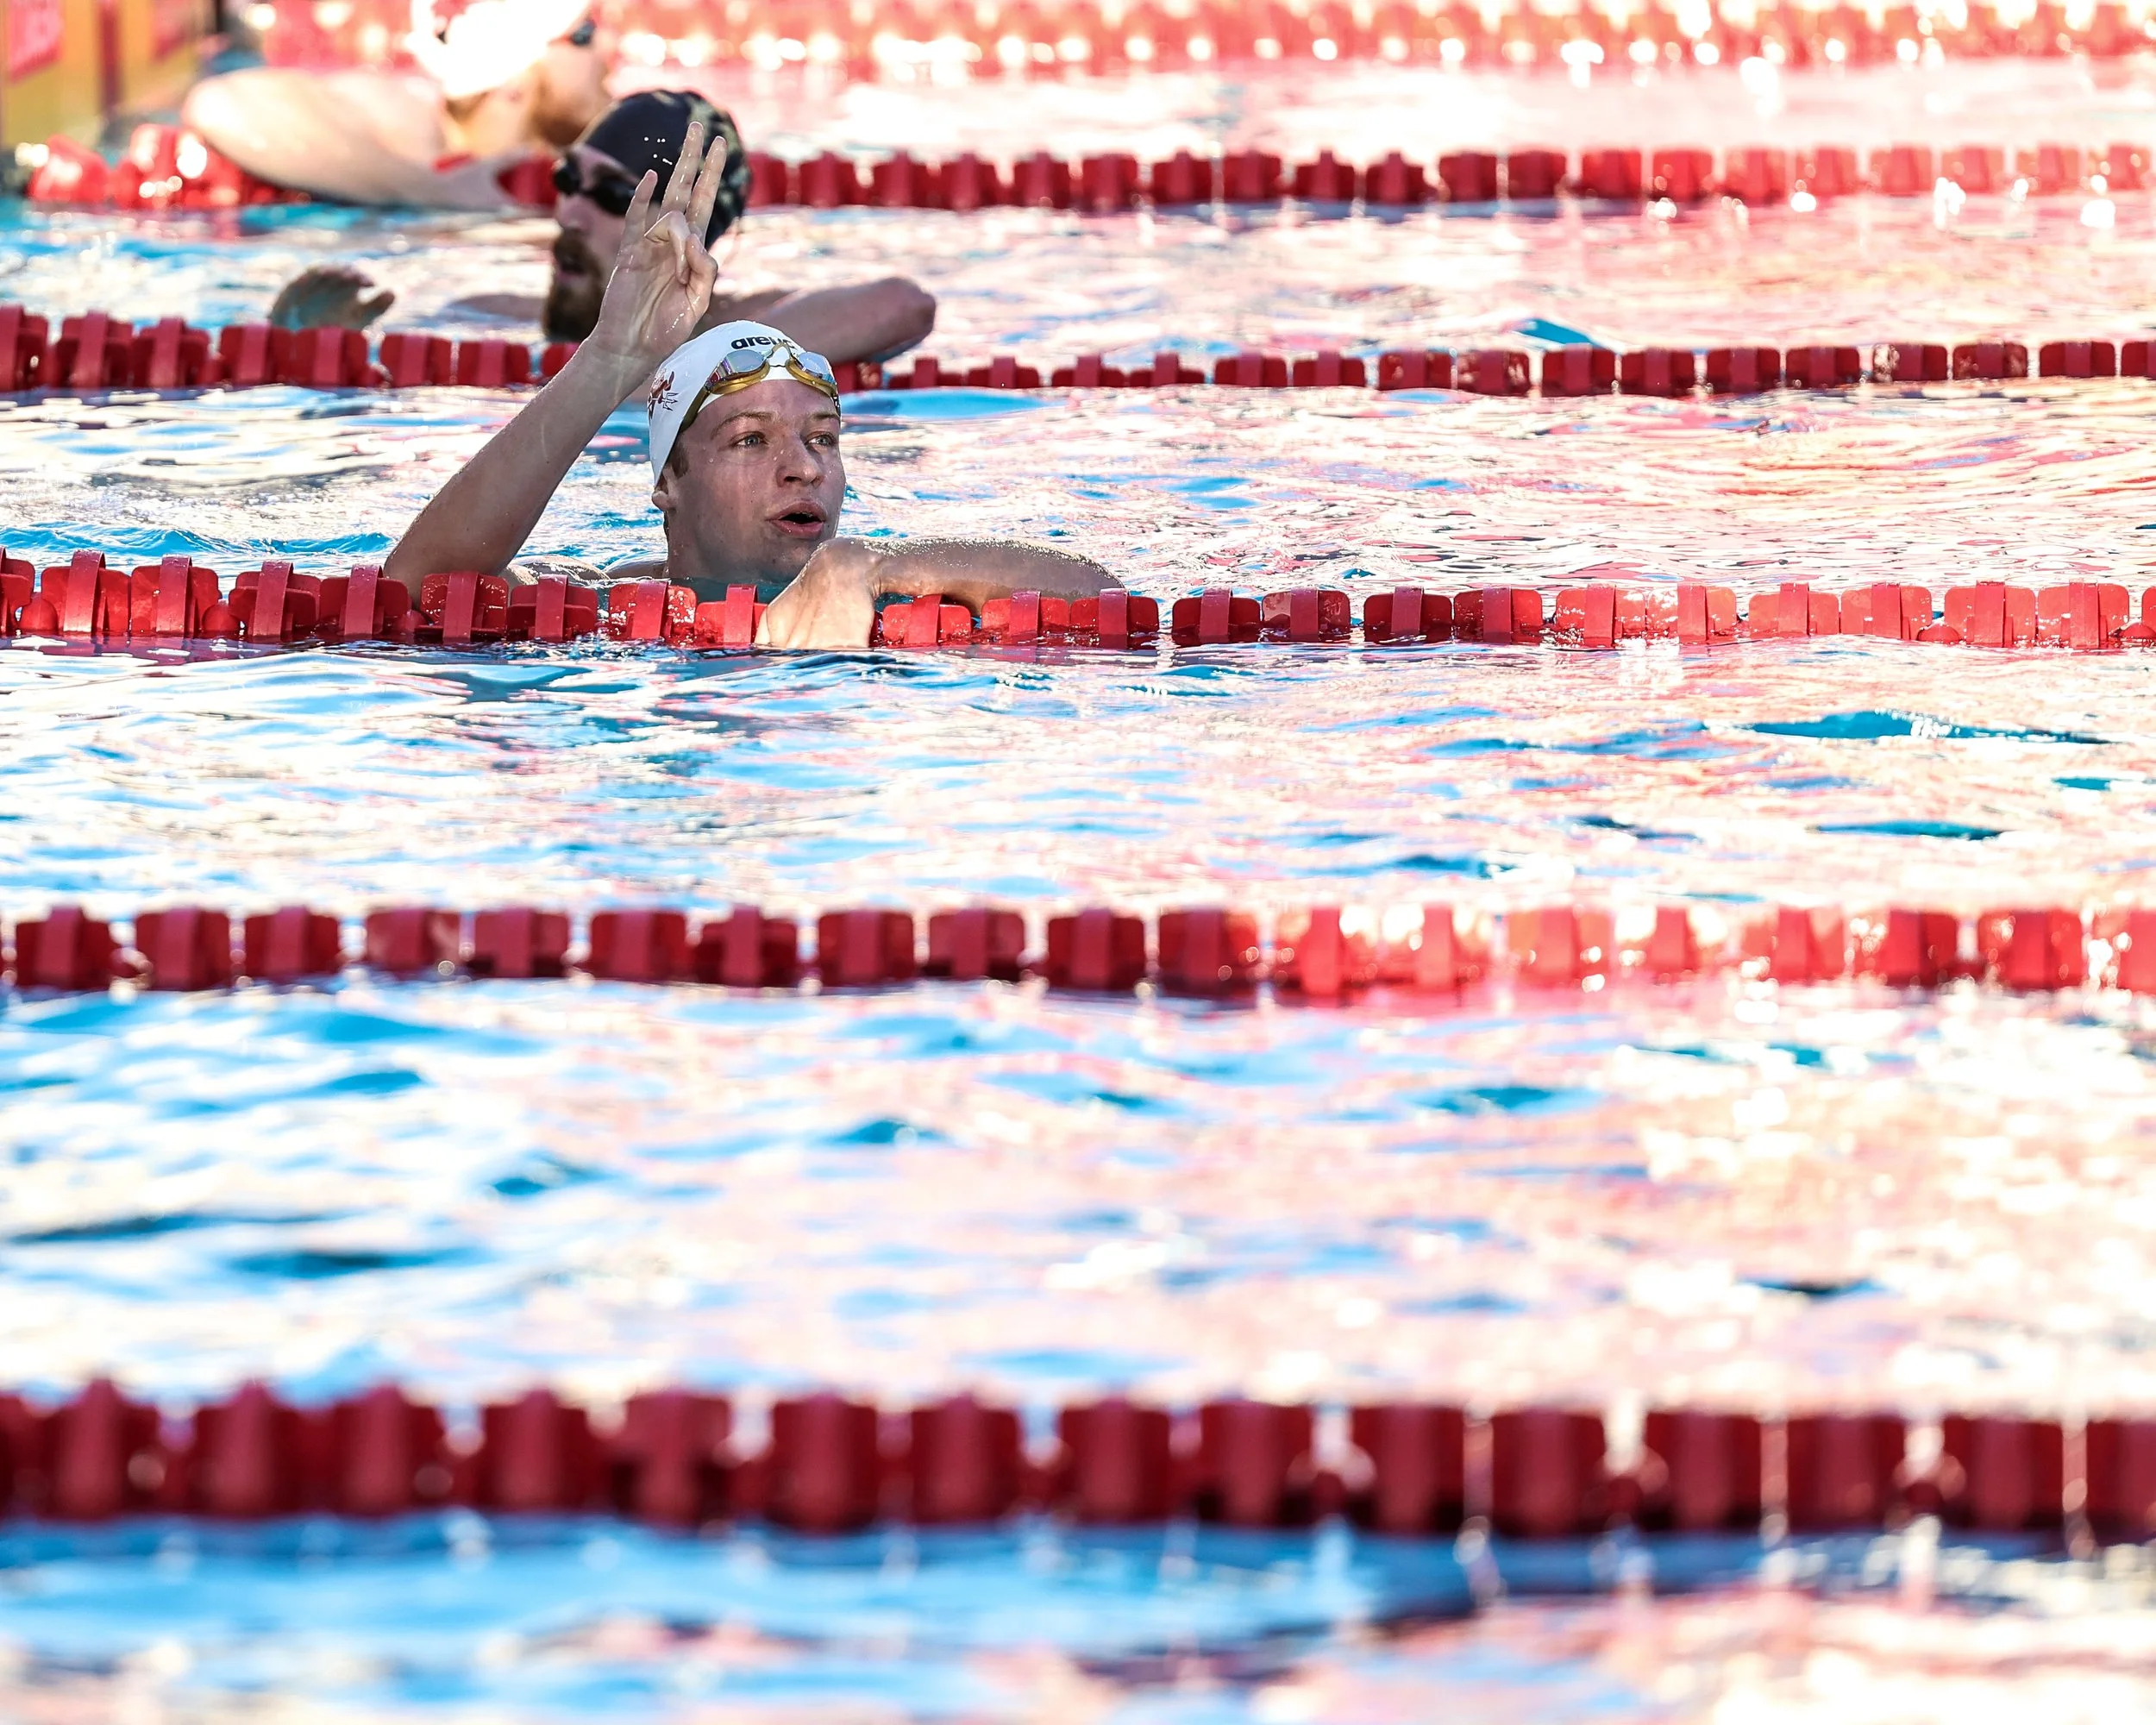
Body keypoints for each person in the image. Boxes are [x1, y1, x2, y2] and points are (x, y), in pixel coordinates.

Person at [383, 122, 1112, 650]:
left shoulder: (882, 581)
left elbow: (1103, 595)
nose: (806, 467)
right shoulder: (600, 606)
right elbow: (416, 588)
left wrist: (869, 564)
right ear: (668, 481)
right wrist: (609, 359)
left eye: (822, 436)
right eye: (751, 439)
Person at [267, 89, 937, 369]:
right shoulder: (495, 314)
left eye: (611, 194)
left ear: (692, 228)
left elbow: (903, 304)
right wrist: (309, 341)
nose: (569, 213)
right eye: (567, 182)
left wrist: (675, 341)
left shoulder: (741, 328)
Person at [186, 0, 609, 209]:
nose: (604, 51)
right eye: (584, 35)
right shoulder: (409, 123)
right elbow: (221, 101)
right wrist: (426, 189)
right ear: (515, 80)